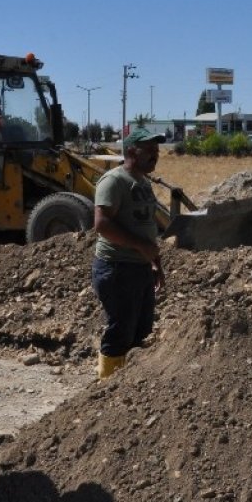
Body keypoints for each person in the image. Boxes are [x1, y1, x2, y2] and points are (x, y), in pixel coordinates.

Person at [91, 127, 166, 378]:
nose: (155, 155)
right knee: (121, 331)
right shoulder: (114, 181)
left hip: (140, 268)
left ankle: (130, 391)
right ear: (132, 151)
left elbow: (147, 228)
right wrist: (141, 247)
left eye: (157, 150)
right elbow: (102, 224)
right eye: (150, 150)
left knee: (141, 331)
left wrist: (155, 262)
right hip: (117, 268)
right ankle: (107, 388)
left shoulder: (143, 182)